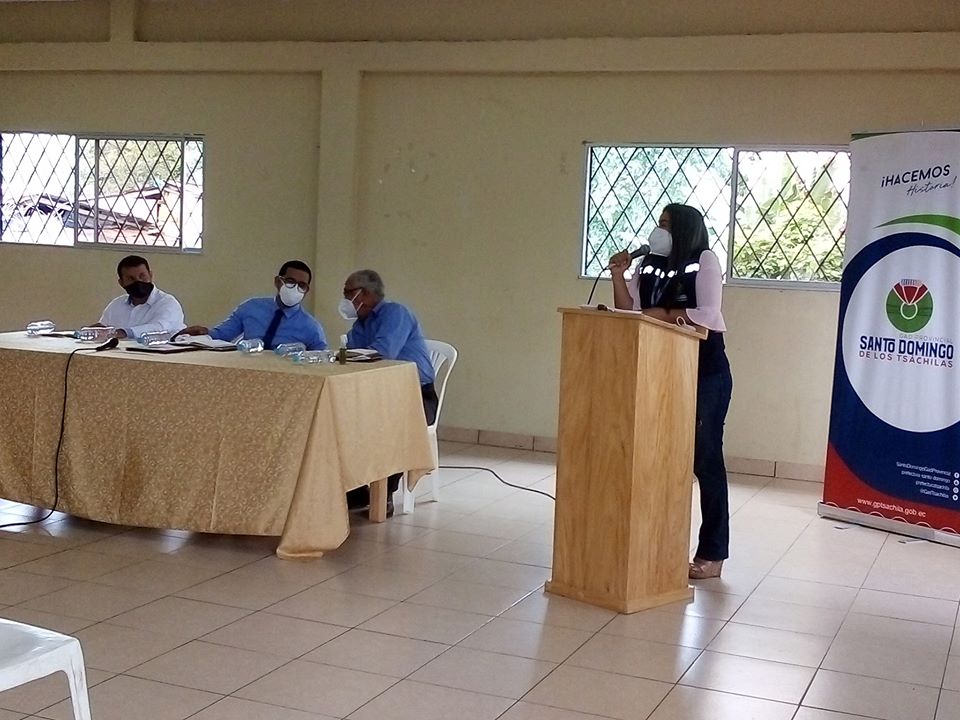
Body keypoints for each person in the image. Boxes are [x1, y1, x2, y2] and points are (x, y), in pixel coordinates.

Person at [608, 204, 733, 580]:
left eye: (666, 224)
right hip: (659, 373)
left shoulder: (704, 260)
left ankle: (713, 551)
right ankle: (657, 543)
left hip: (705, 374)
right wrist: (618, 275)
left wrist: (660, 315)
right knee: (660, 456)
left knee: (704, 459)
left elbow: (708, 314)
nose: (658, 230)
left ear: (684, 229)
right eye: (658, 223)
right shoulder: (648, 264)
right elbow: (629, 309)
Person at [341, 269, 437, 514]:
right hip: (377, 395)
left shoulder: (396, 313)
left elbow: (383, 353)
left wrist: (350, 356)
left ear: (365, 294)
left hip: (417, 396)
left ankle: (384, 494)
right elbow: (351, 360)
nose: (345, 299)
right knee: (341, 420)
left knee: (389, 425)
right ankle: (356, 492)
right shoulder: (359, 326)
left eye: (348, 293)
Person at [179, 260, 327, 350]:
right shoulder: (251, 308)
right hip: (246, 373)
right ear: (278, 282)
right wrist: (203, 333)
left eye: (302, 285)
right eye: (290, 282)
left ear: (307, 290)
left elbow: (322, 361)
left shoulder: (311, 327)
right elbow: (222, 335)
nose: (295, 288)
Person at [97, 255, 185, 339]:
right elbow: (103, 329)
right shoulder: (116, 305)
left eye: (142, 276)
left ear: (150, 275)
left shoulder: (168, 302)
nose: (138, 281)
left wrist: (124, 333)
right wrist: (96, 331)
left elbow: (160, 328)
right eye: (131, 278)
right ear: (121, 283)